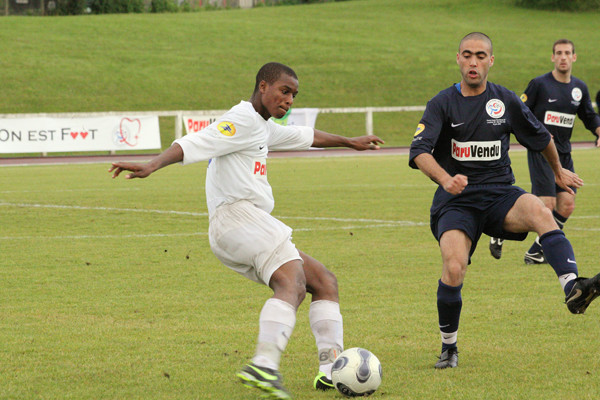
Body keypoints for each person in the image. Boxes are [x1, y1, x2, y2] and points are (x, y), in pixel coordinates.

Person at [109, 62, 384, 399]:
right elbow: (198, 140)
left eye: (294, 95)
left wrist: (350, 141)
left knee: (323, 282)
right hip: (237, 218)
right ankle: (264, 365)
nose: (289, 100)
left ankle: (329, 372)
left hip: (247, 223)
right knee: (292, 283)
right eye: (284, 91)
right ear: (263, 86)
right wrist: (152, 164)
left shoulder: (262, 126)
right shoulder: (241, 119)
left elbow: (306, 136)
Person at [409, 32, 600, 370]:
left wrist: (557, 171)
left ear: (491, 61)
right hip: (457, 202)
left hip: (500, 193)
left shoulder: (506, 100)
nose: (473, 62)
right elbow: (419, 151)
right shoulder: (442, 102)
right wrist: (445, 179)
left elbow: (542, 138)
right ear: (458, 59)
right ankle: (449, 347)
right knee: (454, 267)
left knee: (542, 211)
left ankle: (573, 287)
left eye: (480, 56)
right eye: (467, 55)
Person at [489, 39, 600, 263]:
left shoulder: (579, 88)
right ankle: (498, 229)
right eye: (558, 53)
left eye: (567, 53)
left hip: (565, 154)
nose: (563, 57)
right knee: (546, 205)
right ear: (552, 57)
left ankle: (536, 251)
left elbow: (589, 116)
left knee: (567, 205)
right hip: (542, 152)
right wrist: (534, 133)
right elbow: (518, 111)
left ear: (574, 57)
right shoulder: (539, 84)